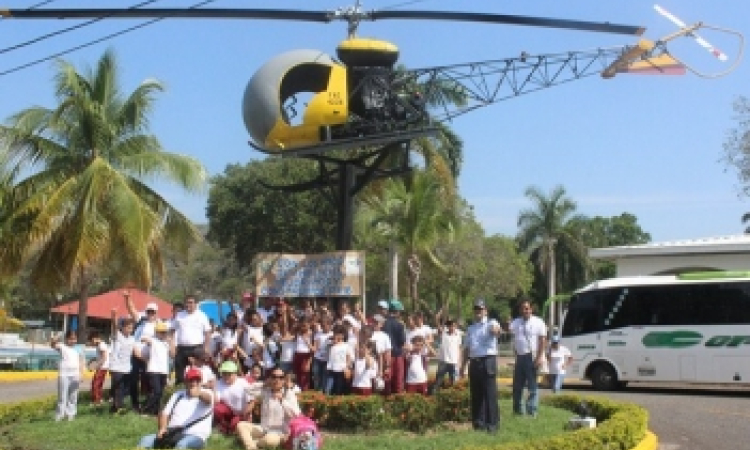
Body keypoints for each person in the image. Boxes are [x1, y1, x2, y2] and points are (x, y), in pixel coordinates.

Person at [137, 367, 215, 450]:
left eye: (197, 380)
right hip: (173, 433)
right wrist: (163, 428)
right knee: (145, 440)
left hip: (195, 435)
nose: (194, 383)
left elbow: (208, 399)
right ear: (186, 382)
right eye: (191, 380)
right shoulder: (178, 394)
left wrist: (199, 394)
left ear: (201, 382)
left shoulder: (207, 392)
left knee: (182, 445)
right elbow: (165, 413)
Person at [460, 299, 502, 433]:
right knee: (476, 393)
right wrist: (463, 366)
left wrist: (496, 330)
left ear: (485, 311)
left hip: (487, 361)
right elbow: (466, 348)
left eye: (481, 309)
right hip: (474, 362)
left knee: (490, 394)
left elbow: (497, 331)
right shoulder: (471, 328)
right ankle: (478, 423)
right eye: (476, 309)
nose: (478, 312)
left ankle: (493, 424)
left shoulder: (491, 323)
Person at [236, 366, 301, 450]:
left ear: (284, 380)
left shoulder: (289, 394)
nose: (277, 380)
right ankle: (252, 447)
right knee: (241, 425)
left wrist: (282, 400)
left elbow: (296, 414)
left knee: (270, 441)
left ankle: (254, 443)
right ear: (270, 378)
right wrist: (264, 384)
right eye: (274, 377)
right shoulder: (266, 390)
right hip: (263, 428)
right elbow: (247, 390)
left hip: (279, 432)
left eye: (280, 377)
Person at [509, 300, 547, 417]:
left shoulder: (538, 322)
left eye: (527, 308)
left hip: (532, 356)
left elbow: (542, 340)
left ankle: (531, 411)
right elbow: (509, 330)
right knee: (517, 386)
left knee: (532, 386)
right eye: (522, 308)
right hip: (520, 357)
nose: (525, 311)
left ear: (531, 309)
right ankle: (518, 411)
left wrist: (540, 357)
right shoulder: (516, 322)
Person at [173, 295, 212, 384]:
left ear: (195, 304)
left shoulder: (202, 315)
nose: (188, 305)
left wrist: (206, 347)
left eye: (191, 302)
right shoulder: (180, 315)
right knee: (180, 375)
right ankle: (181, 393)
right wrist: (172, 345)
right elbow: (172, 330)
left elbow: (208, 332)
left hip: (196, 348)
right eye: (186, 302)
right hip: (181, 349)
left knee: (196, 373)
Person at [51, 330, 85, 421]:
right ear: (66, 339)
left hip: (75, 375)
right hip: (64, 374)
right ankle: (59, 415)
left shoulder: (79, 349)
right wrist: (56, 337)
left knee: (73, 396)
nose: (73, 341)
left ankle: (71, 414)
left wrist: (81, 374)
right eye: (70, 339)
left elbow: (81, 362)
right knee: (62, 396)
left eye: (74, 339)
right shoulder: (62, 347)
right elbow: (53, 345)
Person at [140, 321, 173, 416]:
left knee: (160, 393)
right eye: (161, 332)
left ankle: (155, 411)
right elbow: (144, 339)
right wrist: (146, 340)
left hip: (163, 371)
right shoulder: (153, 340)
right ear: (156, 332)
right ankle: (146, 410)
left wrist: (171, 342)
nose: (163, 334)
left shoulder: (166, 344)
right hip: (154, 370)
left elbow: (172, 354)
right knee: (156, 391)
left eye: (164, 332)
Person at [214, 360, 253, 435]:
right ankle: (222, 426)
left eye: (229, 374)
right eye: (224, 373)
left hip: (241, 413)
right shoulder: (219, 383)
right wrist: (213, 388)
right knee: (217, 409)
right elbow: (216, 402)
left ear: (235, 373)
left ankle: (230, 428)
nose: (226, 376)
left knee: (234, 427)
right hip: (228, 411)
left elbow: (251, 401)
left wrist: (246, 415)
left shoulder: (243, 383)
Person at [109, 309, 137, 414]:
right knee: (118, 388)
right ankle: (117, 408)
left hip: (127, 368)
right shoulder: (118, 336)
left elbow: (134, 351)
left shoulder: (132, 338)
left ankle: (116, 406)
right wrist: (114, 315)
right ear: (123, 328)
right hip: (116, 367)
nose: (130, 330)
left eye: (131, 328)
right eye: (128, 328)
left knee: (125, 389)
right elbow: (115, 327)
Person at [381, 299, 406, 394]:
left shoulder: (383, 324)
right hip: (397, 355)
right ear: (397, 311)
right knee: (398, 381)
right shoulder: (400, 325)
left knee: (387, 381)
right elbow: (402, 342)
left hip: (386, 356)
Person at [434, 319, 461, 391]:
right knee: (438, 382)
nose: (452, 327)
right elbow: (437, 324)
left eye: (453, 325)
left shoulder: (458, 335)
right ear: (448, 326)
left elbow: (459, 348)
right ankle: (433, 397)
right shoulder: (443, 334)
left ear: (455, 326)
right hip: (443, 361)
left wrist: (459, 361)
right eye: (450, 325)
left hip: (454, 362)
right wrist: (437, 317)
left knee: (453, 383)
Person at [88, 330, 109, 406]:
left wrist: (95, 366)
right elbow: (99, 357)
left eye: (91, 341)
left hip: (102, 368)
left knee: (95, 384)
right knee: (98, 384)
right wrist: (92, 359)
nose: (91, 343)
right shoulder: (99, 345)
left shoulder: (101, 345)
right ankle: (99, 399)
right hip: (102, 367)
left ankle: (96, 401)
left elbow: (104, 357)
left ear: (95, 338)